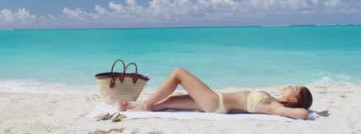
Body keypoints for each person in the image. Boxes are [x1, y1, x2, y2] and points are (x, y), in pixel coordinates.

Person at [115, 67, 313, 119]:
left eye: (293, 88)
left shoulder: (276, 106)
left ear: (294, 99)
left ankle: (146, 104)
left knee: (178, 73)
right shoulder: (274, 100)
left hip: (215, 102)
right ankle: (133, 107)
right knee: (167, 102)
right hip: (214, 104)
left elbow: (303, 114)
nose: (289, 85)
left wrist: (300, 111)